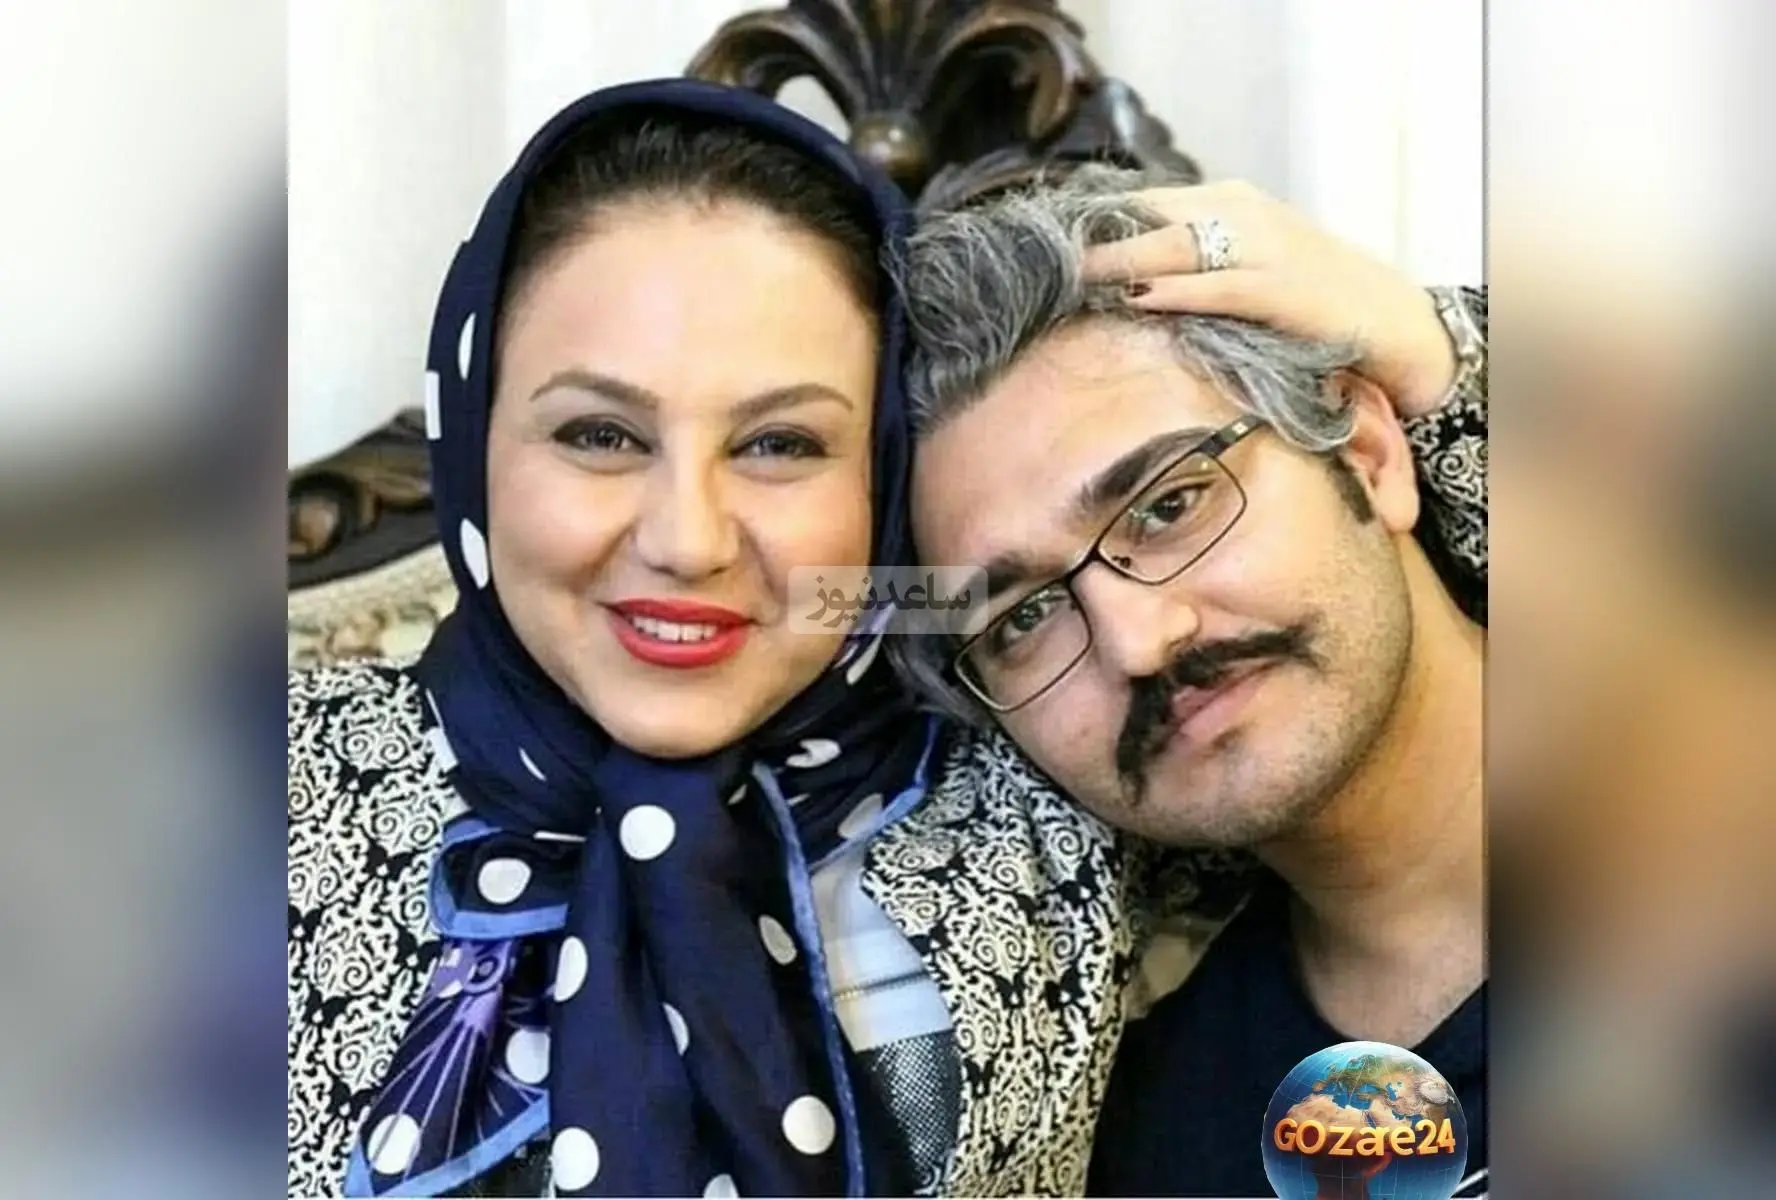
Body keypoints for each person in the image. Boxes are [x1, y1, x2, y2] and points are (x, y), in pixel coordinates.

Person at [288, 81, 1489, 1198]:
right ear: (473, 445)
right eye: (599, 435)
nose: (687, 540)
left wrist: (1435, 350)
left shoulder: (1019, 783)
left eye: (781, 444)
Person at [891, 171, 1487, 1197]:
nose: (1135, 642)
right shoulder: (1144, 1136)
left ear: (1367, 451)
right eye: (1023, 618)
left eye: (1169, 506)